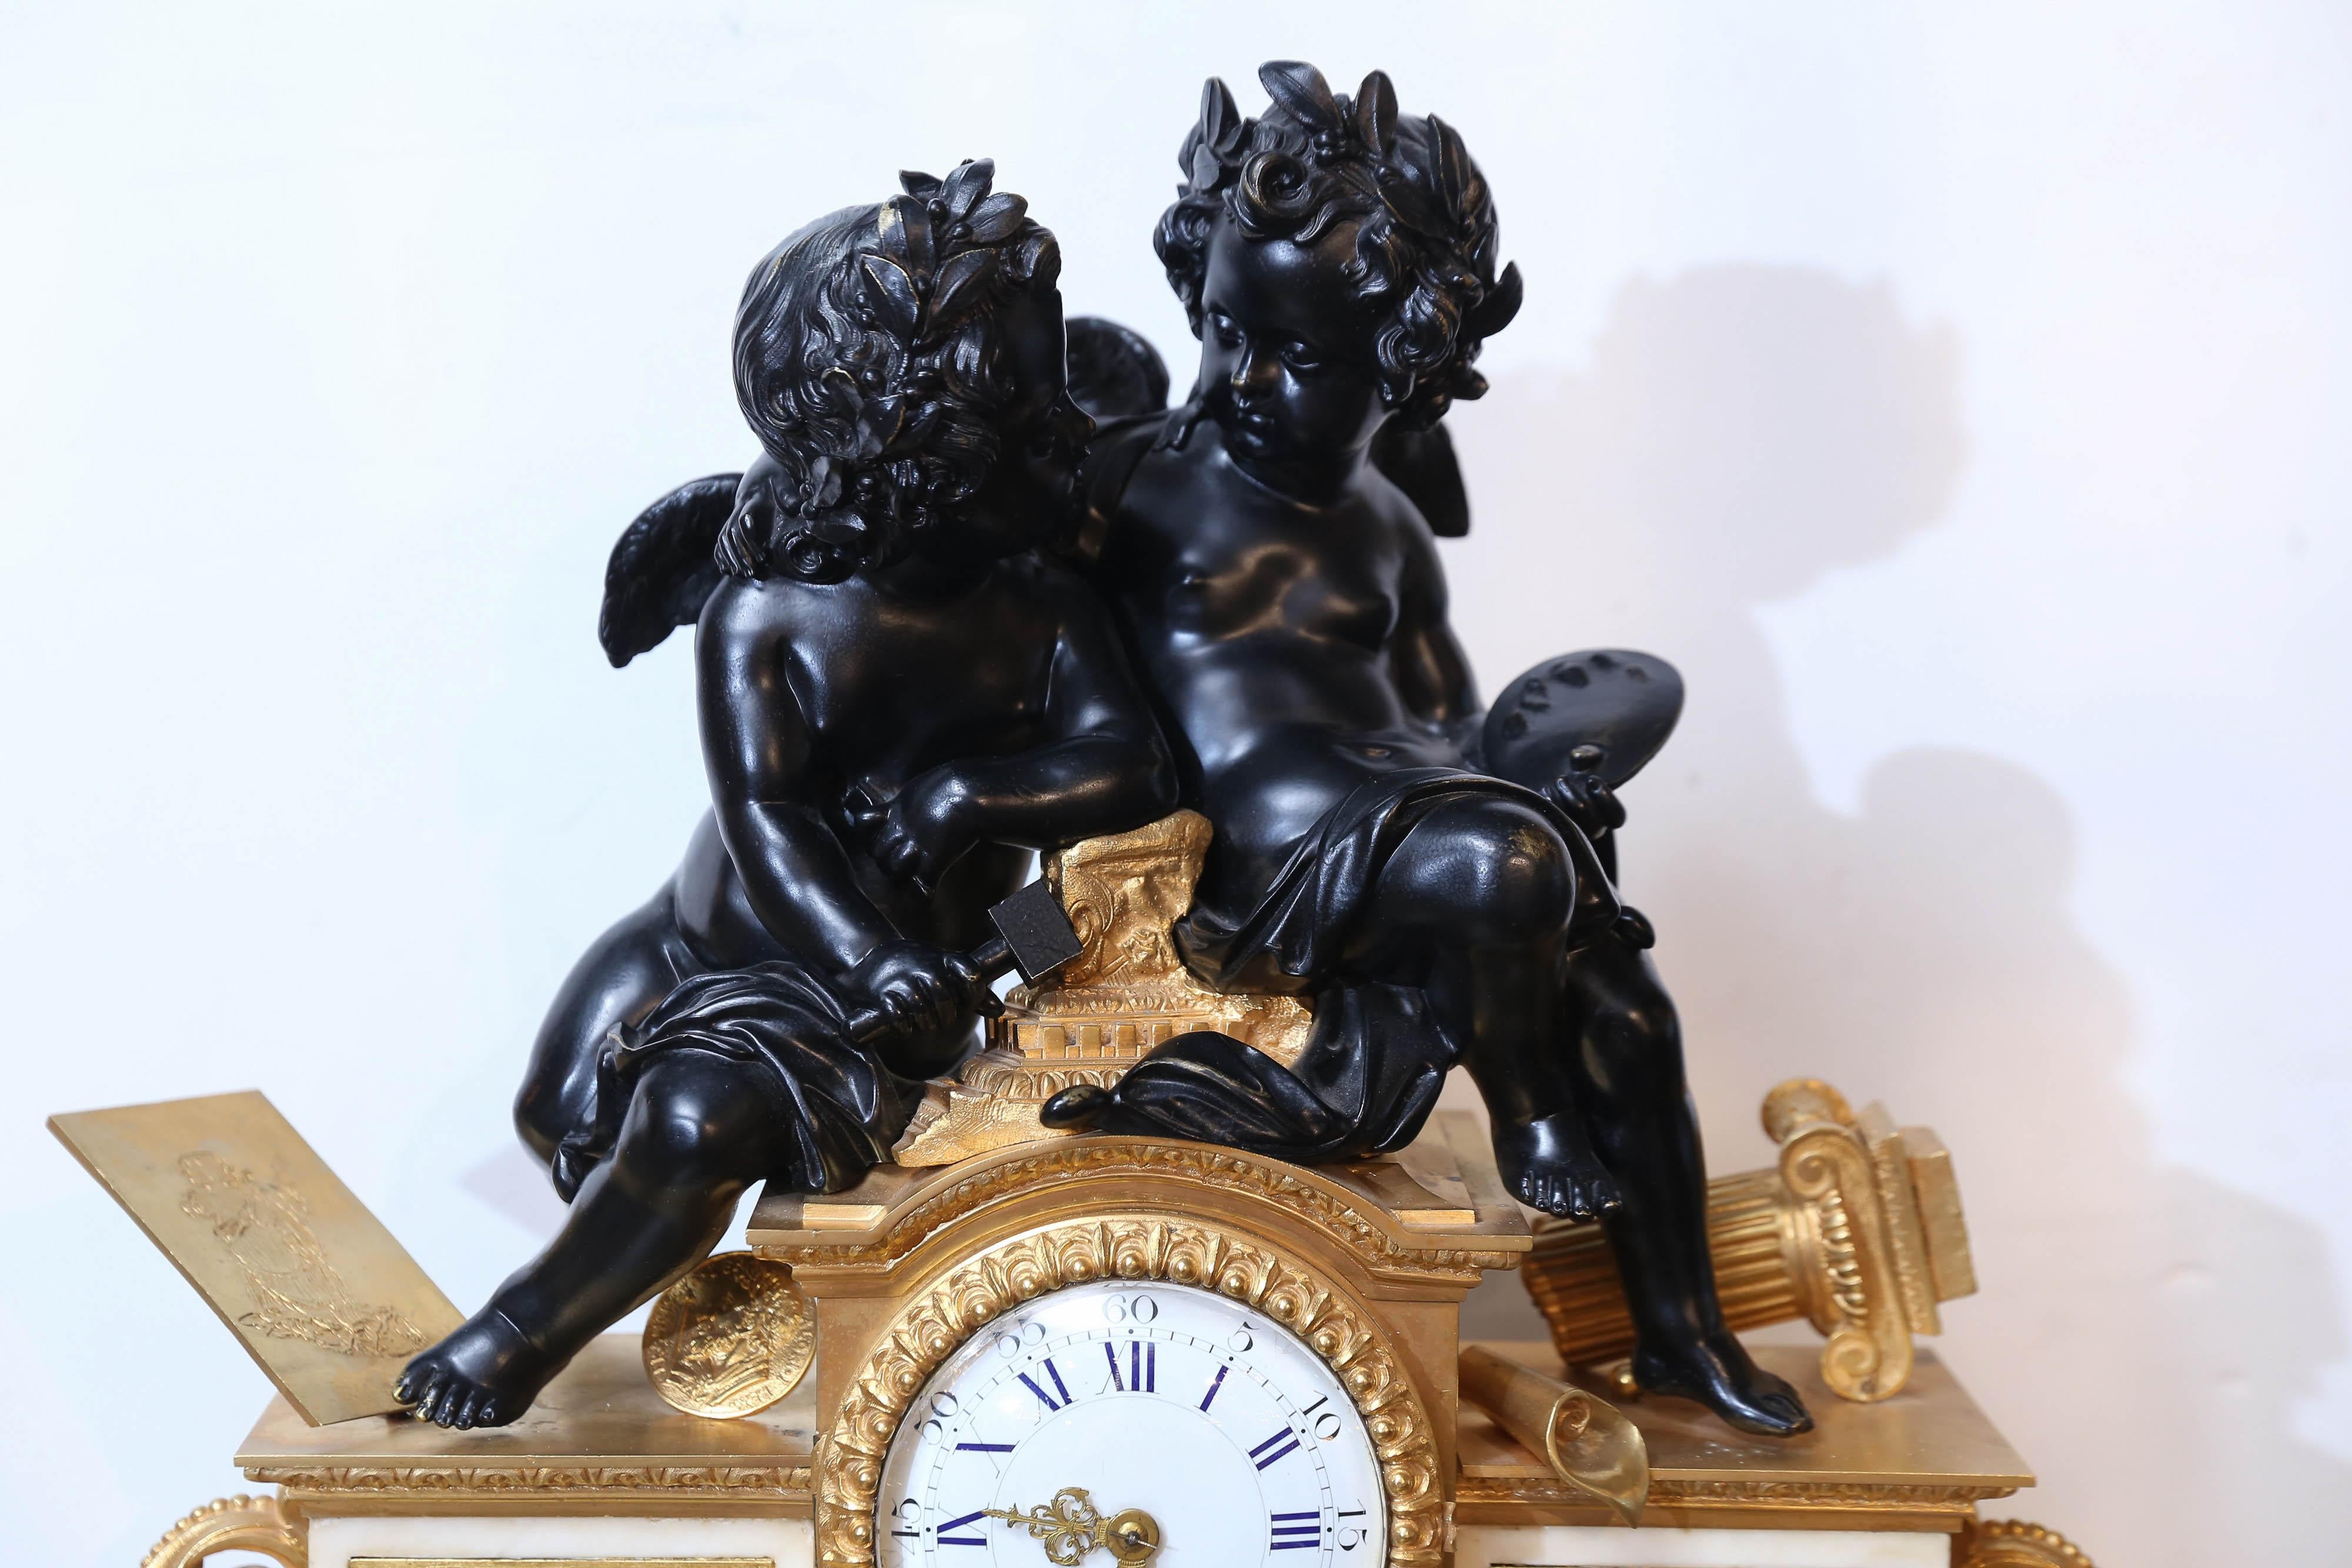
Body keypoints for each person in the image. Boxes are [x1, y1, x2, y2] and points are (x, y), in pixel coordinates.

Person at [1044, 66, 1810, 1436]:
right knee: (1504, 866)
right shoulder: (1132, 487)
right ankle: (1529, 1119)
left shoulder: (1383, 523)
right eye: (1224, 328)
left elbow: (1444, 704)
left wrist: (1541, 759)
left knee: (1629, 1013)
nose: (1239, 378)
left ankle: (1677, 1330)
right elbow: (1024, 673)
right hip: (1258, 856)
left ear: (1403, 361)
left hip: (1413, 808)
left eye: (1295, 355)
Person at [396, 162, 1177, 1428]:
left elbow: (1132, 773)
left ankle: (515, 1329)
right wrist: (862, 942)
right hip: (700, 932)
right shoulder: (765, 614)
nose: (1070, 438)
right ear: (906, 442)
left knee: (691, 1123)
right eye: (1032, 416)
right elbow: (766, 816)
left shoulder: (1040, 609)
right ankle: (688, 1259)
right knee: (556, 1111)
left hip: (911, 983)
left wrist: (967, 817)